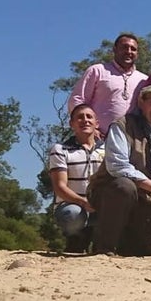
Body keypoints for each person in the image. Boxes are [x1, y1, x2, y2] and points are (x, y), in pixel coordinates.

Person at [87, 85, 151, 256]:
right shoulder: (122, 126)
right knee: (124, 187)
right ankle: (104, 247)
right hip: (110, 192)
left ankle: (124, 240)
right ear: (141, 103)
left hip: (150, 202)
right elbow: (117, 165)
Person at [48, 104, 105, 253]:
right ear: (71, 124)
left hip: (100, 207)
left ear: (96, 123)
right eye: (79, 117)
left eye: (89, 117)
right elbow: (60, 187)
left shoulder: (109, 150)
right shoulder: (60, 150)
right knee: (72, 214)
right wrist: (83, 202)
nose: (85, 120)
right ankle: (76, 240)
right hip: (71, 206)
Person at [67, 33, 148, 137]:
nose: (129, 51)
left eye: (133, 49)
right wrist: (90, 130)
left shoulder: (144, 79)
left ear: (137, 53)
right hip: (98, 139)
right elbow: (77, 100)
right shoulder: (97, 71)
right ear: (114, 49)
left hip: (130, 141)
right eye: (124, 47)